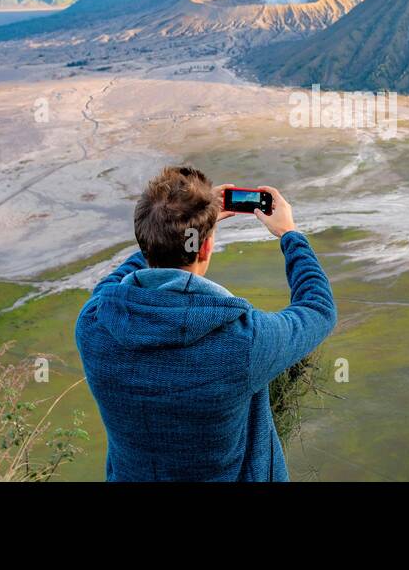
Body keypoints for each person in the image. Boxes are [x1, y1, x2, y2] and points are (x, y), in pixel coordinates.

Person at [75, 165, 336, 481]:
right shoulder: (243, 343)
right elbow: (318, 309)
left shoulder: (93, 324)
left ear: (145, 243)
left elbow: (115, 282)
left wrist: (173, 232)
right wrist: (289, 233)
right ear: (207, 247)